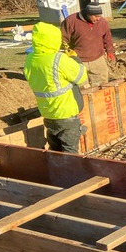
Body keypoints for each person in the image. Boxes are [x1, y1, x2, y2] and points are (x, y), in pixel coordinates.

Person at [24, 21, 88, 153]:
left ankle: (55, 172)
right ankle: (70, 173)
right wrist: (75, 60)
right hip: (66, 113)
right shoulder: (59, 59)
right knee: (70, 153)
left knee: (55, 151)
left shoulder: (30, 59)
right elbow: (81, 77)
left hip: (48, 112)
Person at [61, 1, 115, 86]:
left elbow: (107, 37)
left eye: (99, 16)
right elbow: (63, 39)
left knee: (102, 86)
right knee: (82, 88)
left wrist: (110, 51)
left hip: (98, 59)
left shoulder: (102, 22)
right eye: (95, 16)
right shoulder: (71, 21)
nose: (98, 18)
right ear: (88, 13)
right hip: (78, 61)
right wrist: (66, 54)